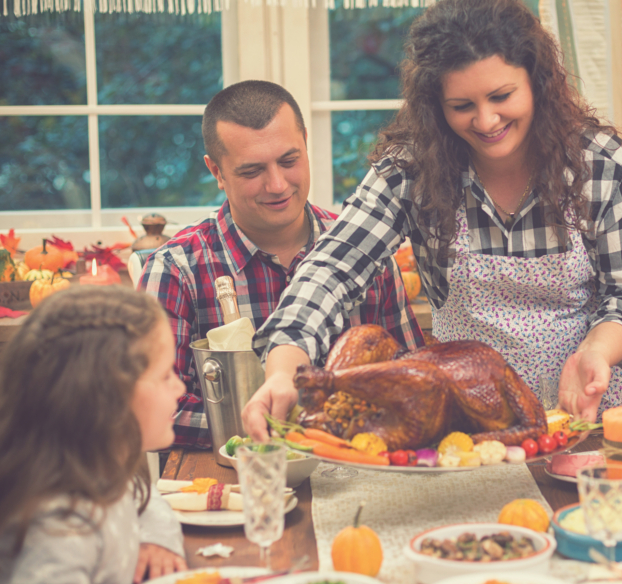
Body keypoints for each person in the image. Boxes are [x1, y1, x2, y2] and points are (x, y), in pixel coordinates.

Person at [243, 0, 622, 441]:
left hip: (597, 410)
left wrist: (596, 351)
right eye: (461, 106)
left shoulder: (601, 166)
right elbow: (330, 271)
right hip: (471, 425)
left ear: (537, 83)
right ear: (433, 104)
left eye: (502, 96)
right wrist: (283, 370)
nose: (486, 121)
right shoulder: (411, 170)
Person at [140, 80, 425, 449]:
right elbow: (150, 409)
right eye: (251, 171)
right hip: (230, 483)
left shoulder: (364, 251)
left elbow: (410, 380)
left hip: (358, 473)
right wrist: (283, 427)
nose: (277, 185)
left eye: (289, 161)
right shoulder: (175, 269)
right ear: (216, 172)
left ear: (306, 142)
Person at [0, 286, 187, 584]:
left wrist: (158, 539)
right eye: (165, 374)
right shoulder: (53, 526)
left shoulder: (103, 468)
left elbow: (145, 499)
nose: (180, 387)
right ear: (108, 396)